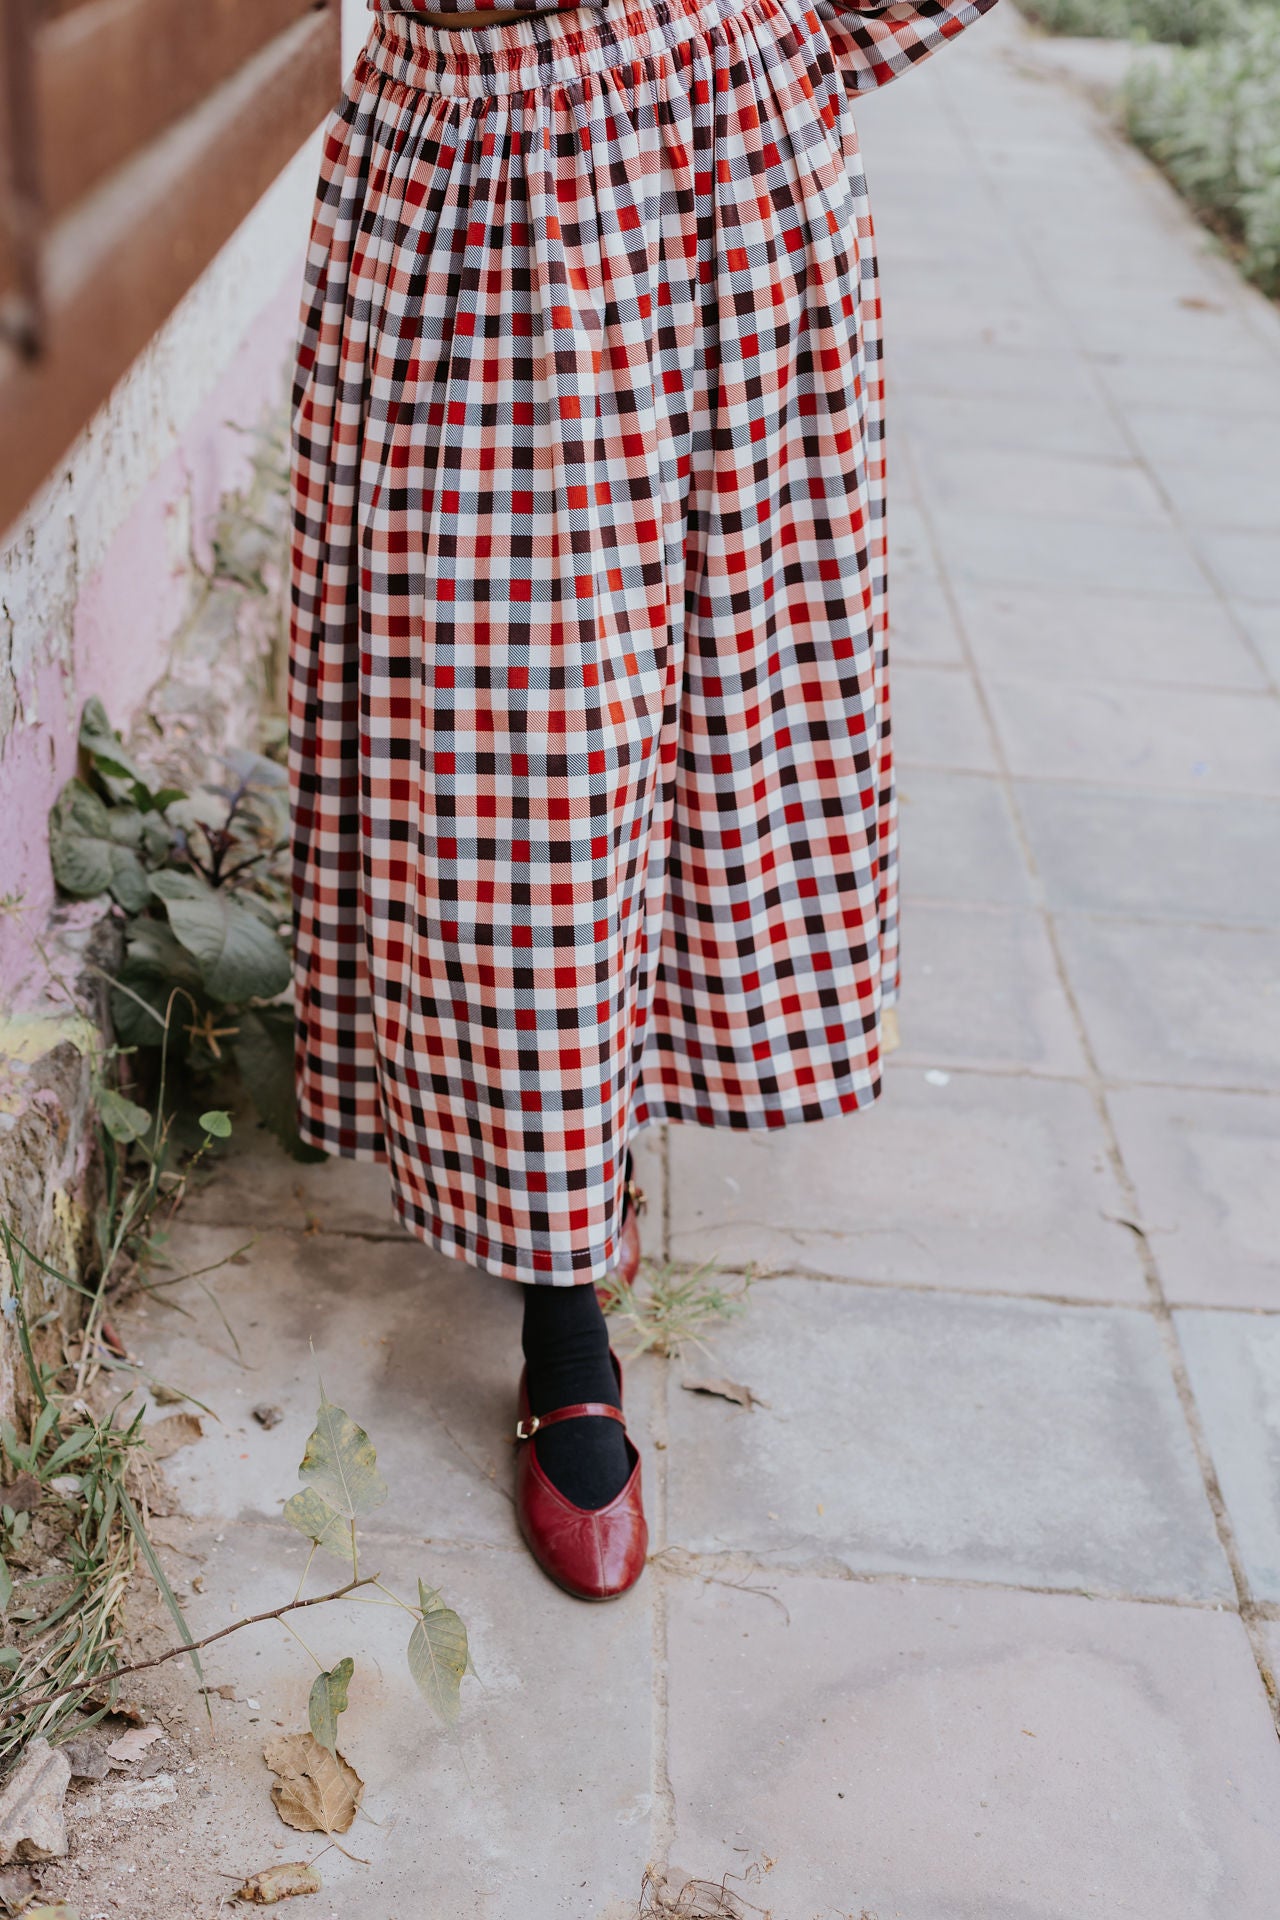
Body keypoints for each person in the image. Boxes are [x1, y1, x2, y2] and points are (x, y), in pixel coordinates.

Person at [288, 0, 998, 1603]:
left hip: (714, 156)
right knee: (513, 752)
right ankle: (561, 1277)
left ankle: (571, 1260)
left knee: (683, 712)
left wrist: (802, 47)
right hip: (453, 159)